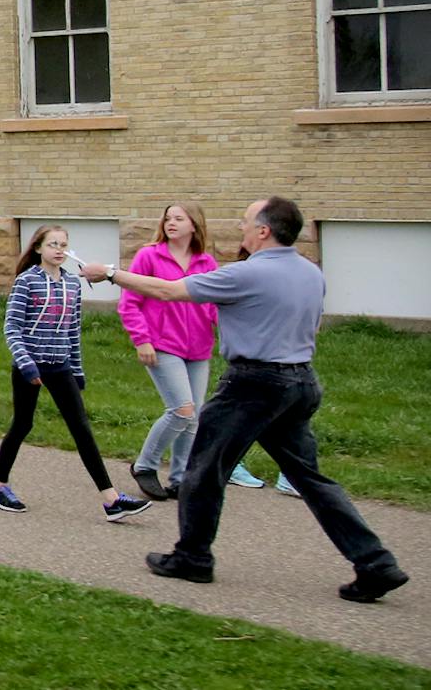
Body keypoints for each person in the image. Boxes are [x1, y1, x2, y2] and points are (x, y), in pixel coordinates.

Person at [90, 198, 407, 603]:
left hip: (253, 385)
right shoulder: (312, 273)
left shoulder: (247, 274)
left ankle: (192, 558)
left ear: (264, 231)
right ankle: (376, 563)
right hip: (301, 382)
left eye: (245, 224)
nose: (240, 230)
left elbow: (168, 292)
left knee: (203, 470)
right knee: (311, 479)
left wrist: (112, 273)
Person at [0, 225, 150, 522]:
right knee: (22, 425)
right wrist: (26, 364)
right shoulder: (26, 282)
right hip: (30, 367)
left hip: (60, 366)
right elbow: (11, 328)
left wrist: (77, 370)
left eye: (63, 245)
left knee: (82, 430)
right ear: (38, 248)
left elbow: (73, 331)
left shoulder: (72, 284)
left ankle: (111, 500)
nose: (59, 250)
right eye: (52, 244)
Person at [119, 202, 221, 501]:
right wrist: (142, 340)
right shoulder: (149, 256)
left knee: (194, 416)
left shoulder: (206, 263)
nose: (171, 223)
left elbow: (215, 306)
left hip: (199, 348)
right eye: (167, 218)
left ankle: (180, 479)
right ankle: (145, 465)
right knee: (181, 409)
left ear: (195, 225)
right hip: (162, 345)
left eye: (179, 218)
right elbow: (129, 304)